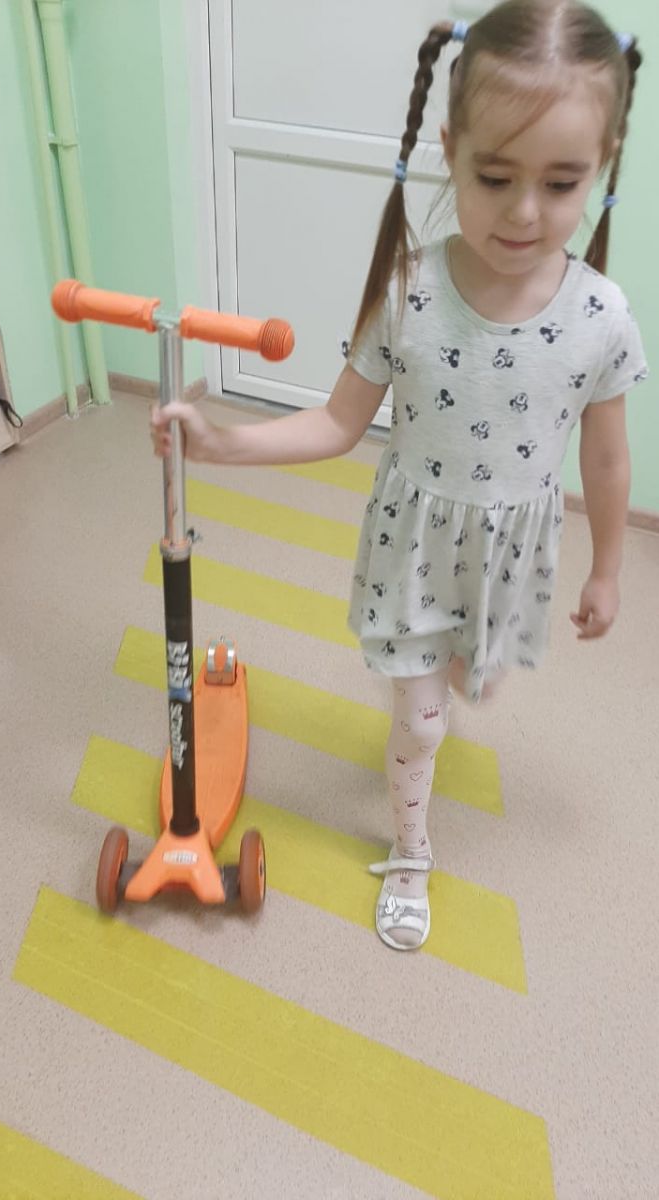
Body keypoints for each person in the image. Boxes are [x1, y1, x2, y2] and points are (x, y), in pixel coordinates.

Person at [151, 0, 648, 953]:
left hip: (511, 556)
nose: (525, 211)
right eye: (494, 176)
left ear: (603, 161)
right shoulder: (409, 289)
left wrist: (608, 570)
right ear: (449, 150)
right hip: (415, 545)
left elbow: (606, 455)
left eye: (560, 182)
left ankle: (456, 679)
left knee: (472, 684)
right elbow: (338, 422)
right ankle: (411, 849)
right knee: (421, 723)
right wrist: (219, 444)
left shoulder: (601, 316)